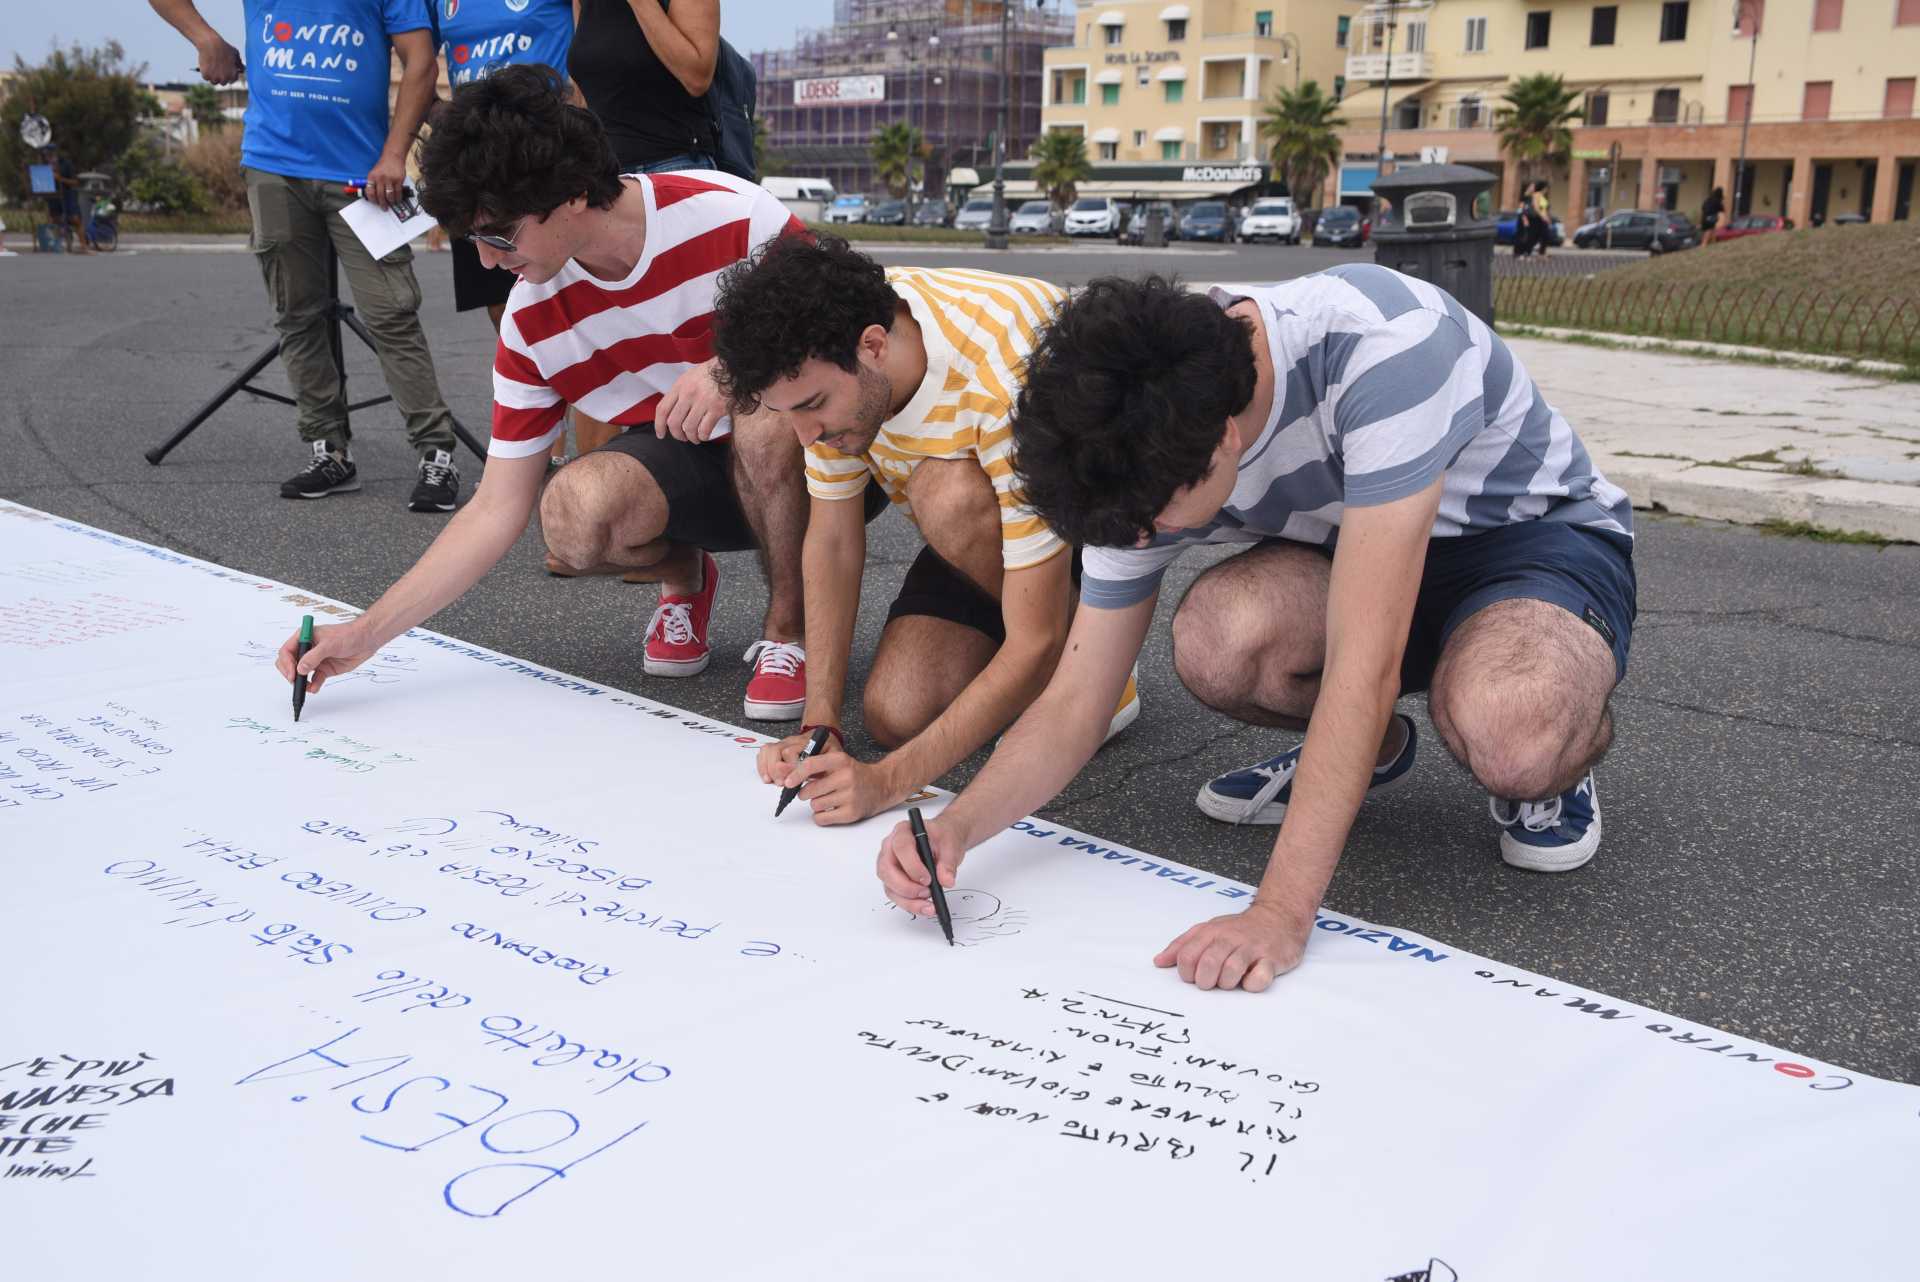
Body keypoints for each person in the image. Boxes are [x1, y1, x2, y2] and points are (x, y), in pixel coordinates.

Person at [878, 267, 1637, 993]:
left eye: (1152, 525)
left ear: (1226, 442)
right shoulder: (1132, 440)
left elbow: (1362, 667)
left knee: (1512, 727)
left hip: (1524, 542)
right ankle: (1362, 753)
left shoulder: (1385, 347)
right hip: (1357, 551)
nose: (1137, 542)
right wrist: (957, 828)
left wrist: (1276, 915)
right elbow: (1079, 697)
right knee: (1216, 639)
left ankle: (1558, 750)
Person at [276, 66, 816, 720]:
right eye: (471, 239)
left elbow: (849, 331)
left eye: (498, 236)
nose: (486, 261)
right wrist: (365, 633)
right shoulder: (532, 317)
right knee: (570, 517)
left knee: (759, 412)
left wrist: (734, 368)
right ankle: (686, 578)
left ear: (569, 195)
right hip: (694, 459)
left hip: (812, 461)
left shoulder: (732, 214)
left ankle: (790, 629)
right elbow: (494, 507)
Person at [709, 237, 1140, 825]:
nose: (805, 436)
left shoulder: (1006, 381)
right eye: (790, 414)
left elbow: (1032, 640)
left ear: (873, 346)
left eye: (812, 406)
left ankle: (1098, 667)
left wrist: (887, 783)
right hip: (986, 526)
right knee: (895, 713)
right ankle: (1030, 656)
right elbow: (832, 543)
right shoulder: (836, 359)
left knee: (947, 494)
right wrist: (820, 724)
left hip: (1084, 523)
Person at [149, 0, 466, 512]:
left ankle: (436, 453)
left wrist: (393, 153)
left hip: (364, 177)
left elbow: (422, 64)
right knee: (297, 316)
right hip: (274, 167)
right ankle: (330, 451)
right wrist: (204, 38)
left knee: (391, 313)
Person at [428, 0, 577, 462]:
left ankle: (576, 443)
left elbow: (592, 44)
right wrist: (451, 122)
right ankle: (538, 443)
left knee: (574, 308)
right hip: (477, 164)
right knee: (507, 310)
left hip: (543, 159)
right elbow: (413, 58)